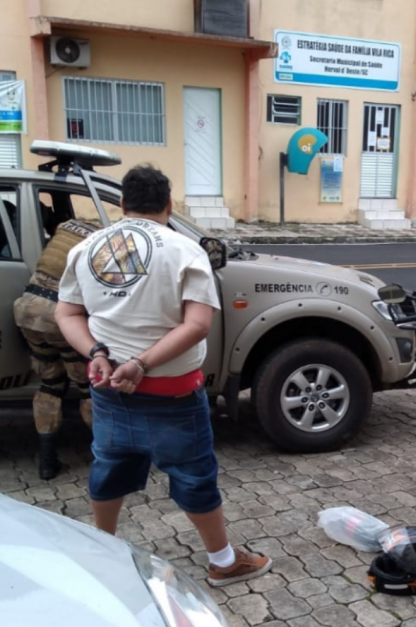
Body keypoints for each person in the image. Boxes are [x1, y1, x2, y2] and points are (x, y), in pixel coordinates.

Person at [54, 164, 271, 588]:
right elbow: (197, 325)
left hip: (108, 392)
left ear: (122, 205)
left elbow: (67, 311)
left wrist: (96, 352)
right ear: (169, 205)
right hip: (173, 397)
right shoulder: (184, 249)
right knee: (194, 477)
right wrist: (143, 364)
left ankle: (105, 552)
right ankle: (223, 562)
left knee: (109, 468)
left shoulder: (86, 248)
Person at [13, 209, 99, 480]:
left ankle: (47, 463)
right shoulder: (98, 241)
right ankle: (104, 458)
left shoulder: (64, 227)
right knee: (87, 388)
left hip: (26, 308)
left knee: (50, 385)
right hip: (57, 314)